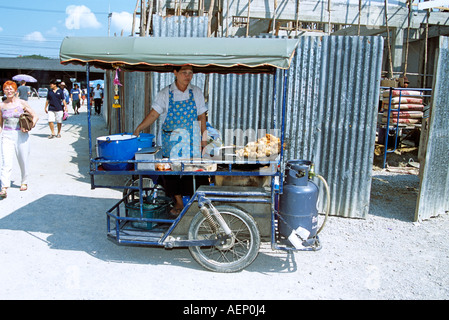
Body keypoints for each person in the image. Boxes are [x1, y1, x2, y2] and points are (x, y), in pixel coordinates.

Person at [133, 65, 208, 217]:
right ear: (175, 73)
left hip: (191, 140)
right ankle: (178, 202)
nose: (188, 76)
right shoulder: (165, 93)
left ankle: (195, 203)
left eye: (190, 73)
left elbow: (202, 117)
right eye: (184, 73)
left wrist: (204, 139)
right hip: (171, 141)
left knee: (193, 171)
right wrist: (139, 128)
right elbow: (154, 114)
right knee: (170, 172)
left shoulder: (197, 92)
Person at [0, 80, 39, 198]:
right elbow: (0, 123)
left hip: (21, 135)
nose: (9, 91)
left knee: (23, 159)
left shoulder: (21, 103)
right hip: (7, 134)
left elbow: (35, 116)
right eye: (6, 89)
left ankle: (24, 181)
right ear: (3, 91)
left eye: (11, 89)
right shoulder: (1, 105)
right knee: (6, 161)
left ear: (15, 91)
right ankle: (4, 186)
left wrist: (30, 126)